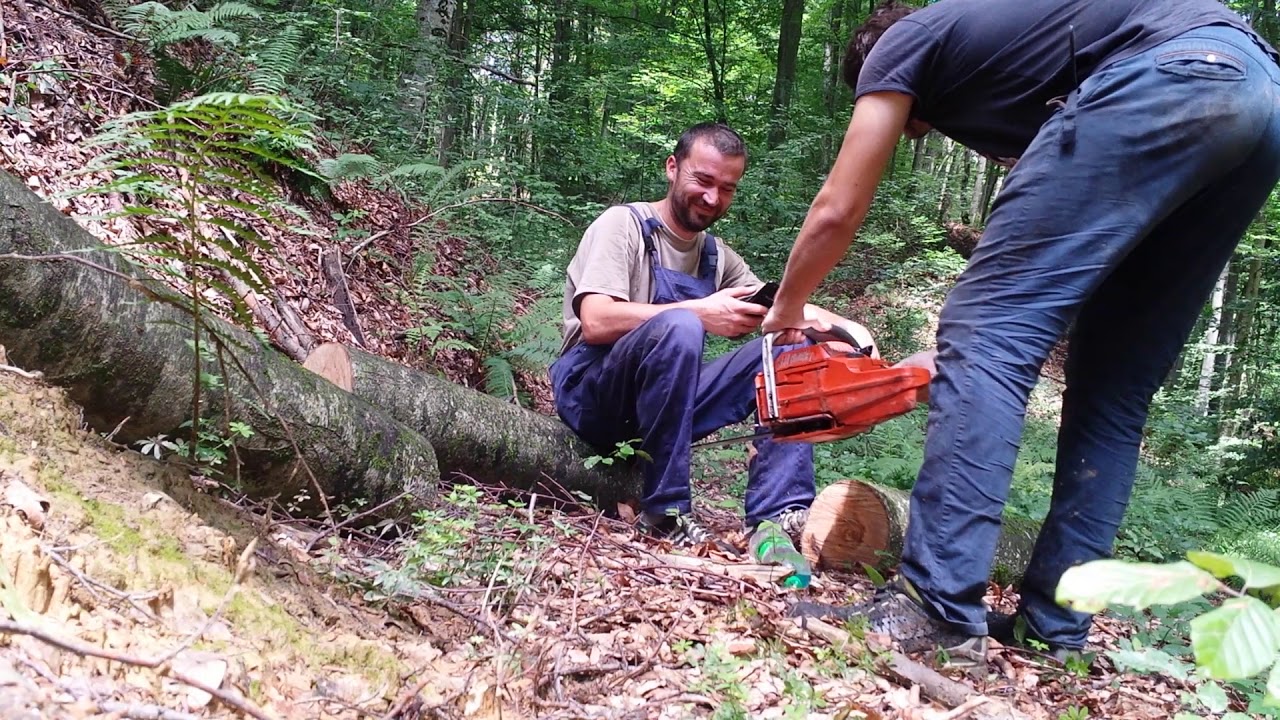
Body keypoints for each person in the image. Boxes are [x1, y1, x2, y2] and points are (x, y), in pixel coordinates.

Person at [763, 0, 1280, 663]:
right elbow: (1055, 193)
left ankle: (935, 607)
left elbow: (838, 205)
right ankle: (1056, 630)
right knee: (1113, 388)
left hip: (1172, 75)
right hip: (1258, 97)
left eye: (908, 119)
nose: (915, 132)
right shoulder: (1012, 57)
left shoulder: (903, 41)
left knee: (983, 328)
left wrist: (789, 306)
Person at [550, 122, 876, 546]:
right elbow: (595, 321)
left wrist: (848, 332)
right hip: (593, 396)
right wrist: (699, 312)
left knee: (780, 351)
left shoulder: (714, 256)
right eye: (702, 180)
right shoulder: (623, 225)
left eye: (726, 188)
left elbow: (784, 308)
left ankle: (777, 516)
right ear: (673, 167)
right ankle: (666, 514)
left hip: (662, 408)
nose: (712, 198)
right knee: (682, 325)